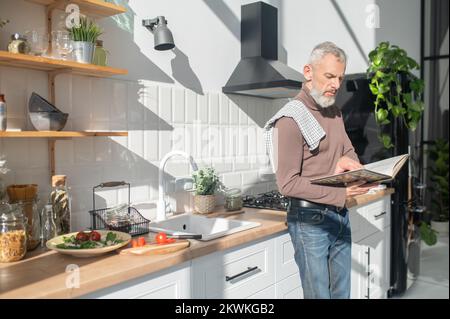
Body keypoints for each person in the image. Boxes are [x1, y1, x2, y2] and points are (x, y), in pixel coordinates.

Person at [265, 42, 378, 299]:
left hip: (339, 216)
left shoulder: (334, 112)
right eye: (329, 76)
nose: (336, 85)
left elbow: (347, 150)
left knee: (342, 295)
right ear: (308, 72)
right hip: (310, 221)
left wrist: (353, 167)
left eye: (340, 77)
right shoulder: (291, 118)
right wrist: (341, 195)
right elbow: (288, 184)